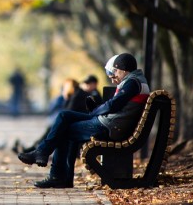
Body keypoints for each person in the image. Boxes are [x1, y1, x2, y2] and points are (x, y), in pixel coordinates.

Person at [18, 53, 150, 188]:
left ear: (123, 69)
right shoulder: (136, 81)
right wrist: (97, 109)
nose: (113, 76)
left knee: (63, 130)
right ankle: (42, 153)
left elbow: (113, 105)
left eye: (115, 71)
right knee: (64, 116)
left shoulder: (133, 82)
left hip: (110, 126)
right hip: (109, 122)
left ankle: (56, 173)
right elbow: (115, 105)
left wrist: (94, 112)